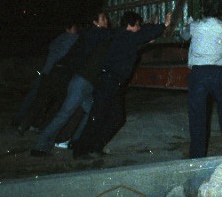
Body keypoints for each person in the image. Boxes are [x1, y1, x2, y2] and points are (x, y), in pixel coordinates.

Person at [70, 10, 171, 159]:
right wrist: (164, 25)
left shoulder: (123, 36)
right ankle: (80, 150)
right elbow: (143, 35)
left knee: (117, 118)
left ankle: (95, 147)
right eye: (137, 26)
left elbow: (140, 38)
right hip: (107, 82)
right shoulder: (124, 36)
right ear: (129, 26)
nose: (139, 29)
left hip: (113, 83)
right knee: (97, 116)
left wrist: (148, 36)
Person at [29, 10, 110, 157]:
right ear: (95, 22)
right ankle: (40, 147)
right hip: (80, 82)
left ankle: (76, 142)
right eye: (103, 18)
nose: (107, 20)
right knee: (65, 114)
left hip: (84, 82)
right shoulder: (95, 34)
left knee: (91, 111)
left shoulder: (93, 35)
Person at [180, 0, 222, 158]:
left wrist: (187, 24)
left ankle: (197, 154)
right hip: (218, 73)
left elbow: (183, 37)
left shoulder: (195, 26)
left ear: (203, 10)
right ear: (221, 11)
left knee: (197, 114)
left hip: (199, 73)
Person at [12, 22, 80, 133]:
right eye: (74, 28)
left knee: (39, 100)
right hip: (57, 74)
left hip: (46, 73)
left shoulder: (58, 40)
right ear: (69, 29)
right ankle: (42, 126)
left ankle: (23, 123)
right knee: (55, 103)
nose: (76, 30)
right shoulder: (71, 39)